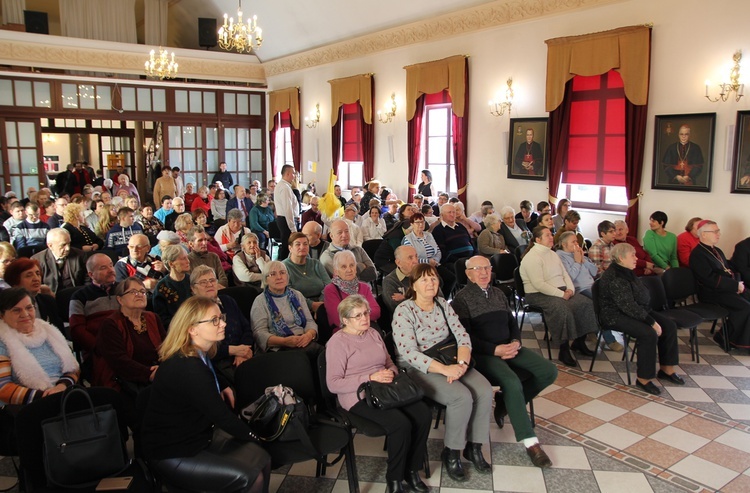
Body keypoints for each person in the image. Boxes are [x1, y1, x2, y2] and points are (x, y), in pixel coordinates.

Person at [141, 296, 271, 493]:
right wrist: (256, 436)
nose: (223, 323)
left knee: (264, 459)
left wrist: (223, 384)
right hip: (172, 451)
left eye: (221, 317)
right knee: (251, 476)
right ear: (192, 328)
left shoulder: (196, 354)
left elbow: (208, 375)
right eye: (214, 320)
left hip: (197, 434)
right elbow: (222, 417)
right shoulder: (189, 368)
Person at [452, 256, 557, 468]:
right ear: (468, 274)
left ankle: (504, 403)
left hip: (509, 347)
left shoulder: (498, 293)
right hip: (484, 354)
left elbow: (512, 322)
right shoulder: (461, 300)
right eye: (477, 269)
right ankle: (531, 443)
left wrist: (516, 341)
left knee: (548, 371)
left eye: (487, 268)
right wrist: (494, 349)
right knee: (511, 381)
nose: (483, 273)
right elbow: (464, 337)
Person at [392, 264, 492, 481]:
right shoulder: (404, 310)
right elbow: (408, 352)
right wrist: (446, 369)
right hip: (420, 367)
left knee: (485, 390)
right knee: (461, 397)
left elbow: (462, 335)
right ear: (414, 285)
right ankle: (452, 452)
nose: (430, 283)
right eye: (424, 280)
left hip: (451, 358)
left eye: (434, 279)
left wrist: (462, 364)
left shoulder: (442, 304)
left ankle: (474, 447)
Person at [326, 294, 431, 493]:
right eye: (357, 316)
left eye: (365, 313)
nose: (365, 318)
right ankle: (394, 480)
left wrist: (392, 371)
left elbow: (388, 360)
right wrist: (370, 377)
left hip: (386, 387)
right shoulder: (337, 342)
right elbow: (333, 384)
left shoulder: (373, 332)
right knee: (400, 424)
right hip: (357, 395)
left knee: (423, 413)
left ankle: (412, 470)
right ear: (345, 320)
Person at [598, 243, 684, 395]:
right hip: (614, 315)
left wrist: (651, 317)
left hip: (637, 310)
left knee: (669, 325)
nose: (636, 258)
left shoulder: (627, 271)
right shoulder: (615, 276)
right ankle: (644, 378)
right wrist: (651, 322)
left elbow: (640, 297)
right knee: (648, 333)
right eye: (632, 255)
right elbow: (627, 306)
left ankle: (667, 368)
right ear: (620, 258)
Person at [519, 226, 597, 367]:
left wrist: (570, 290)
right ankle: (563, 348)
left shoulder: (552, 254)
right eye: (547, 235)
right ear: (538, 239)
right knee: (562, 308)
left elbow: (564, 274)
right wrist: (561, 294)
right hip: (537, 294)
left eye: (551, 234)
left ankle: (579, 342)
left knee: (587, 303)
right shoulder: (532, 257)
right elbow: (539, 284)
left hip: (560, 290)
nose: (551, 237)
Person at [0, 287, 79, 405]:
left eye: (29, 308)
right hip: (27, 407)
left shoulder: (49, 331)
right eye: (16, 310)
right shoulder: (2, 342)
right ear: (2, 315)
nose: (25, 314)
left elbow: (73, 369)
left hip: (63, 396)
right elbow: (3, 389)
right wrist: (45, 397)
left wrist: (61, 387)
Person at [96, 277, 165, 398]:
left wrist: (164, 369)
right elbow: (119, 361)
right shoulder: (111, 324)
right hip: (126, 382)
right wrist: (149, 373)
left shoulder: (153, 318)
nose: (139, 295)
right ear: (120, 299)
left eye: (143, 292)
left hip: (159, 376)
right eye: (133, 292)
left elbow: (167, 347)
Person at [557, 231, 622, 352]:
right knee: (602, 304)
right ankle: (610, 339)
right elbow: (570, 277)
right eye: (574, 241)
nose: (577, 244)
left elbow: (594, 272)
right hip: (579, 289)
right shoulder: (560, 257)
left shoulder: (578, 254)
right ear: (564, 244)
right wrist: (577, 262)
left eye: (577, 241)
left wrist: (583, 259)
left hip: (592, 285)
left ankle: (593, 330)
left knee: (613, 299)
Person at [690, 220, 750, 350]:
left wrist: (738, 284)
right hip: (711, 293)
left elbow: (729, 269)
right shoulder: (698, 254)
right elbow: (709, 279)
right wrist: (734, 286)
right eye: (715, 231)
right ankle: (726, 337)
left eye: (718, 231)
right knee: (745, 307)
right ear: (704, 234)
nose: (719, 234)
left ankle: (732, 336)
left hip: (725, 289)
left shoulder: (717, 250)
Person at [190, 266, 253, 382]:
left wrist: (242, 351)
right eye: (203, 282)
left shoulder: (228, 301)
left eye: (212, 280)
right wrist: (232, 350)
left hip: (243, 355)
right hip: (215, 363)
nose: (209, 285)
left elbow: (247, 328)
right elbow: (197, 349)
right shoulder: (192, 312)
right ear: (193, 288)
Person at [250, 261, 322, 361]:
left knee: (326, 355)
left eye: (282, 273)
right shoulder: (260, 301)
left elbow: (310, 321)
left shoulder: (297, 295)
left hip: (303, 341)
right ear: (266, 279)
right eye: (273, 274)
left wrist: (309, 335)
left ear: (287, 276)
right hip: (278, 347)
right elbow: (259, 334)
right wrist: (284, 341)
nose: (279, 277)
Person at [68, 254, 120, 363]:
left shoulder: (125, 289)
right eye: (103, 268)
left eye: (111, 265)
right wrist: (99, 347)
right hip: (98, 352)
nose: (110, 270)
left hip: (128, 344)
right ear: (91, 274)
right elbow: (77, 330)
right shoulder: (79, 297)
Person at [323, 251, 380, 333]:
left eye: (352, 265)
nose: (349, 270)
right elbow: (338, 319)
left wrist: (353, 317)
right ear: (336, 271)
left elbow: (376, 311)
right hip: (344, 332)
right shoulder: (331, 289)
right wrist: (364, 315)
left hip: (367, 329)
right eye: (343, 267)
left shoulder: (364, 287)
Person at [283, 233, 330, 314]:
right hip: (296, 306)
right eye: (298, 244)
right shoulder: (284, 267)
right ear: (290, 248)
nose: (302, 247)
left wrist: (321, 304)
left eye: (305, 244)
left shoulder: (316, 263)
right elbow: (288, 292)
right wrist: (311, 305)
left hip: (323, 304)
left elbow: (328, 285)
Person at [31, 228, 88, 295]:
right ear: (50, 246)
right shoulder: (37, 260)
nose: (68, 248)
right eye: (63, 245)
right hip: (50, 298)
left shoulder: (80, 255)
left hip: (75, 296)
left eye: (69, 244)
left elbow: (88, 280)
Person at [154, 244, 192, 329]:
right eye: (183, 258)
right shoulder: (162, 288)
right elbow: (162, 319)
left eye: (187, 257)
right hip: (176, 329)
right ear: (171, 263)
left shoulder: (192, 280)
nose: (188, 261)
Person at [274, 165, 300, 260]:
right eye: (293, 173)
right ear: (288, 174)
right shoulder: (284, 187)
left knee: (287, 244)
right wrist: (293, 228)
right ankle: (284, 266)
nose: (294, 176)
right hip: (286, 220)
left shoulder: (284, 186)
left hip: (285, 220)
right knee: (287, 245)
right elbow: (288, 209)